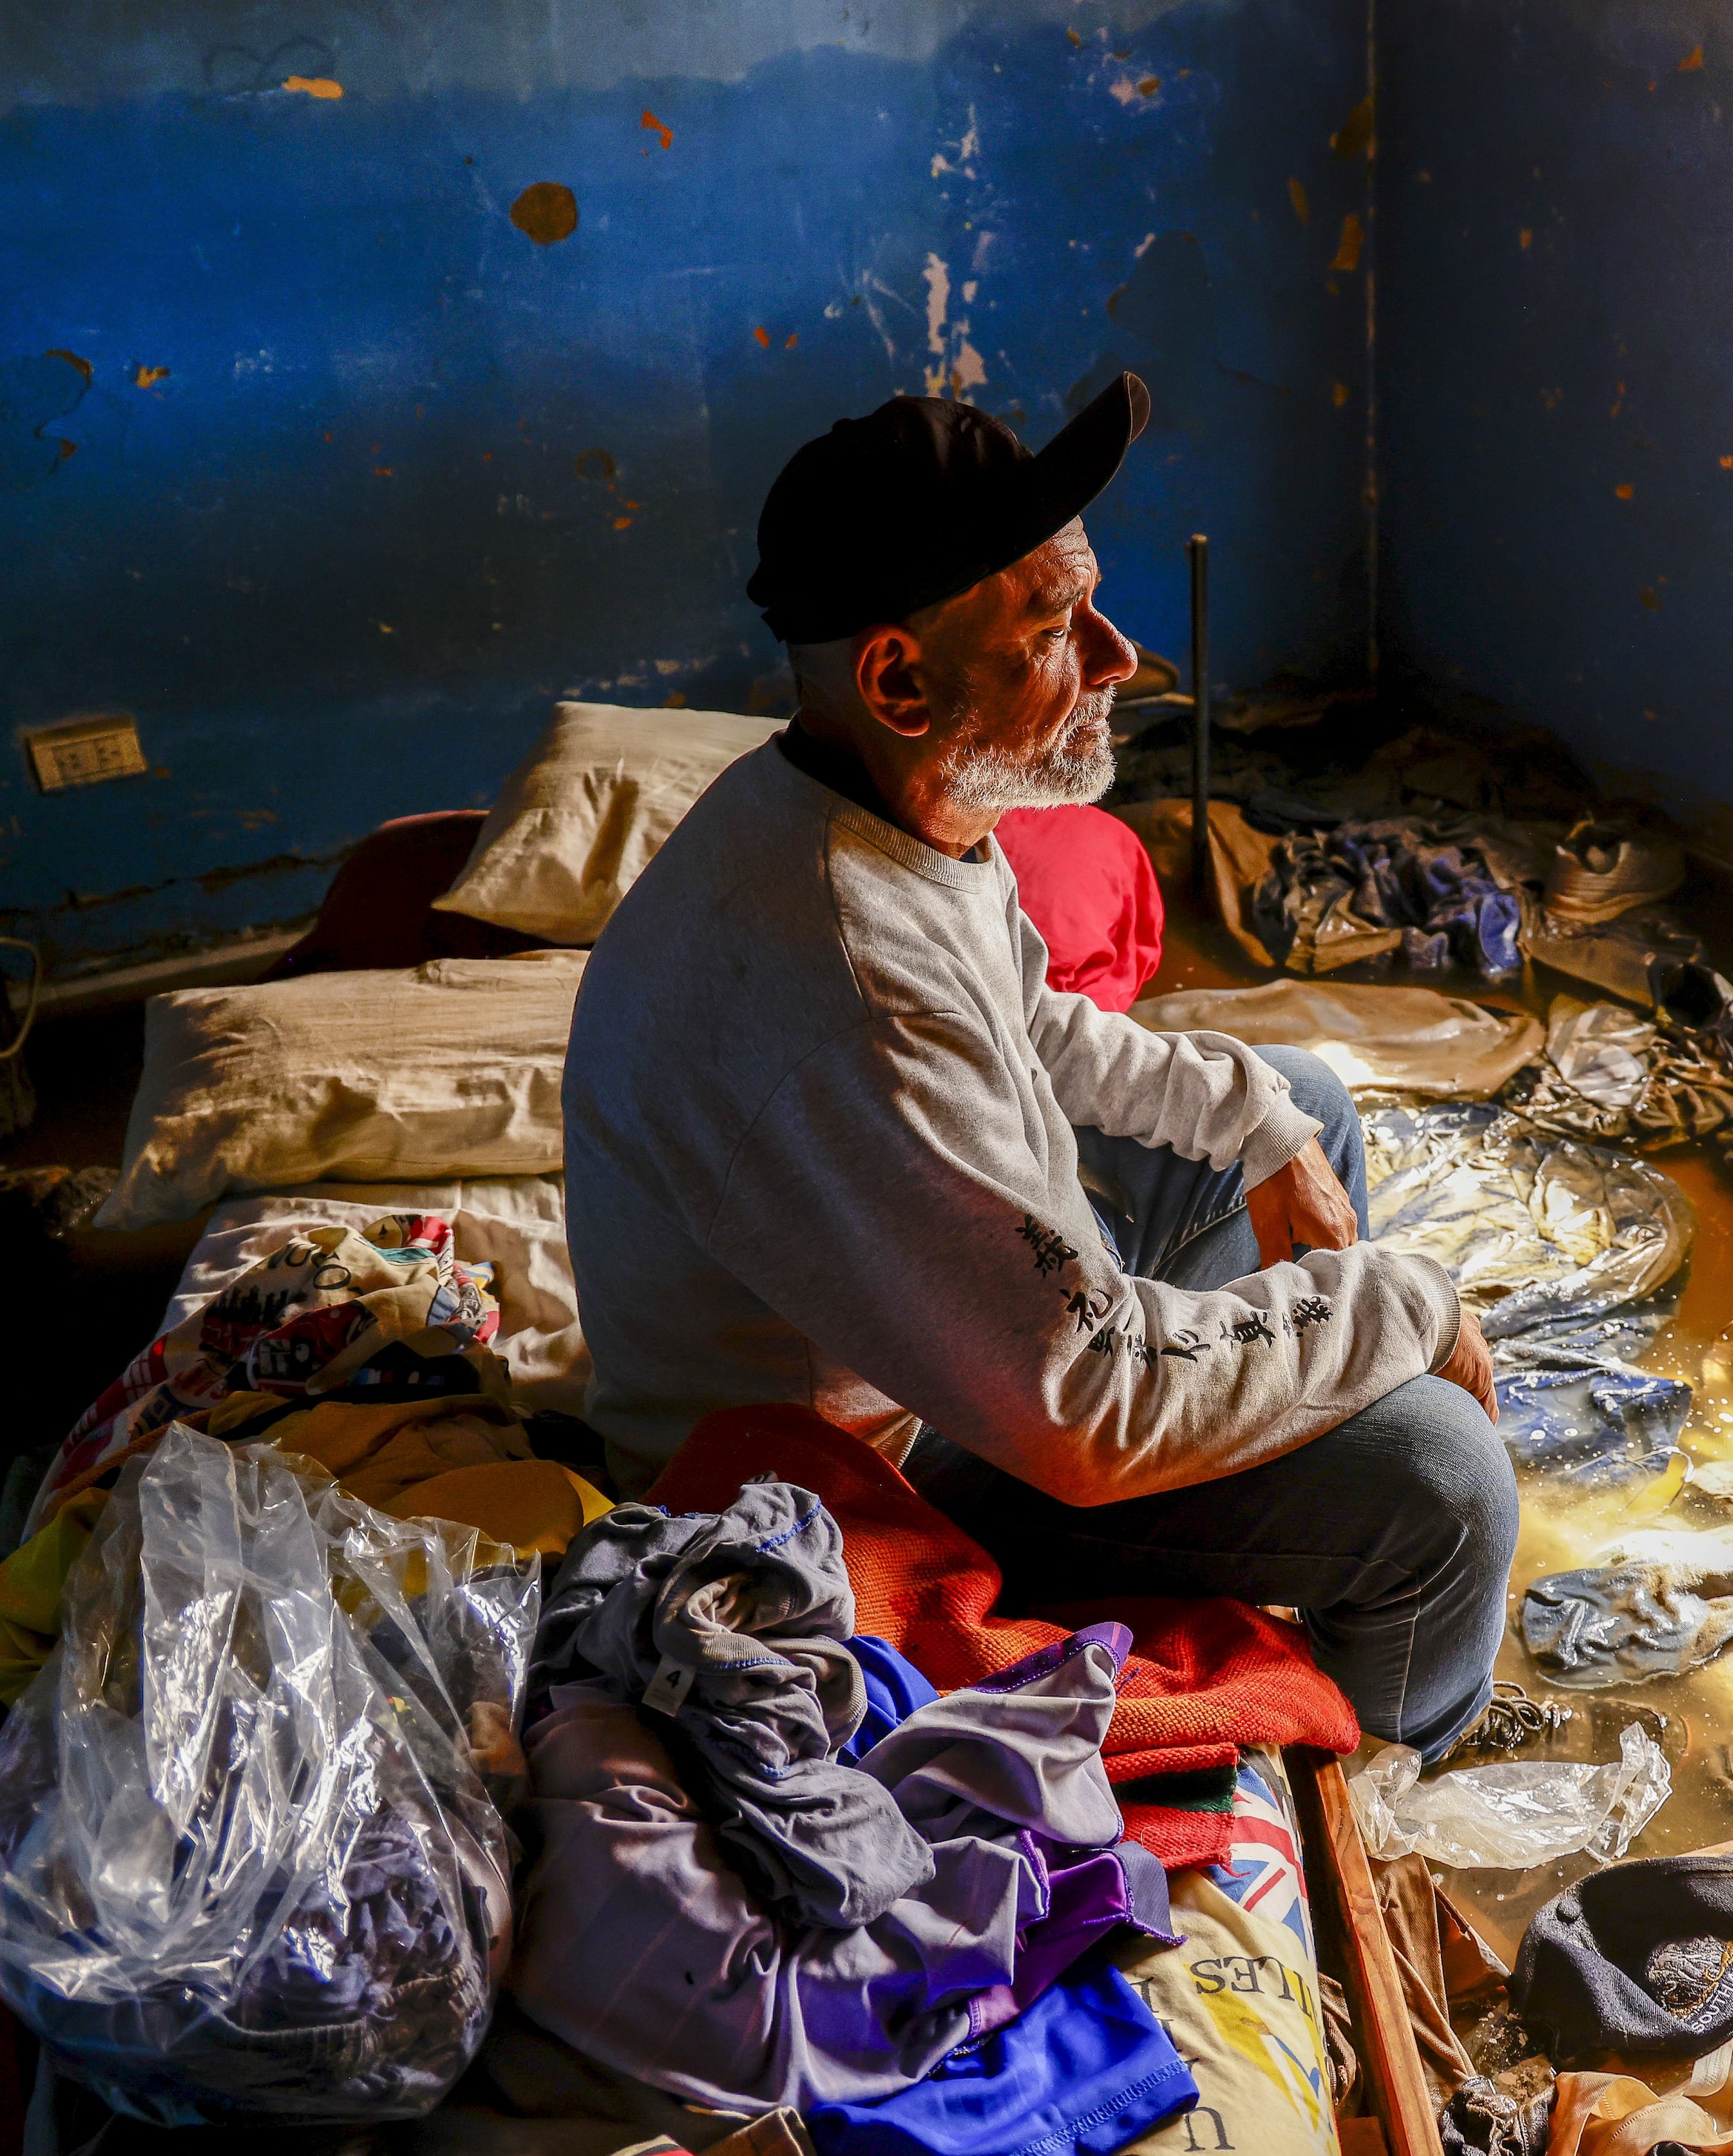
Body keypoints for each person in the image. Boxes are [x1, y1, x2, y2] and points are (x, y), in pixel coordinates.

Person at [563, 374, 1517, 1757]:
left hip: (928, 1352)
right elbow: (1090, 1409)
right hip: (848, 1490)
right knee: (1445, 1480)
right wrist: (1400, 1304)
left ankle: (1291, 1503)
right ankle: (1388, 1770)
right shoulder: (850, 988)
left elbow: (1036, 1024)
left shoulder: (892, 810)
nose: (1121, 655)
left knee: (1296, 1101)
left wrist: (1251, 1120)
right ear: (899, 678)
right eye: (1059, 627)